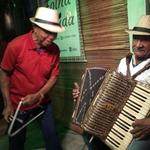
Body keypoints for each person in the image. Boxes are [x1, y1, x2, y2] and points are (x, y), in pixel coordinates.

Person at [72, 15, 150, 150]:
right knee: (87, 131)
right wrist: (84, 95)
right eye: (136, 38)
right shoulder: (123, 62)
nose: (138, 44)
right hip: (114, 119)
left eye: (145, 40)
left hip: (140, 126)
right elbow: (110, 91)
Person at [0, 7, 64, 150]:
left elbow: (53, 76)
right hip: (18, 104)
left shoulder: (55, 50)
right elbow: (4, 75)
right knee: (16, 142)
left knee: (52, 137)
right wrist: (7, 104)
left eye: (54, 33)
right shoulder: (15, 46)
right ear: (34, 27)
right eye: (47, 32)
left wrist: (39, 95)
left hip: (43, 103)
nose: (52, 37)